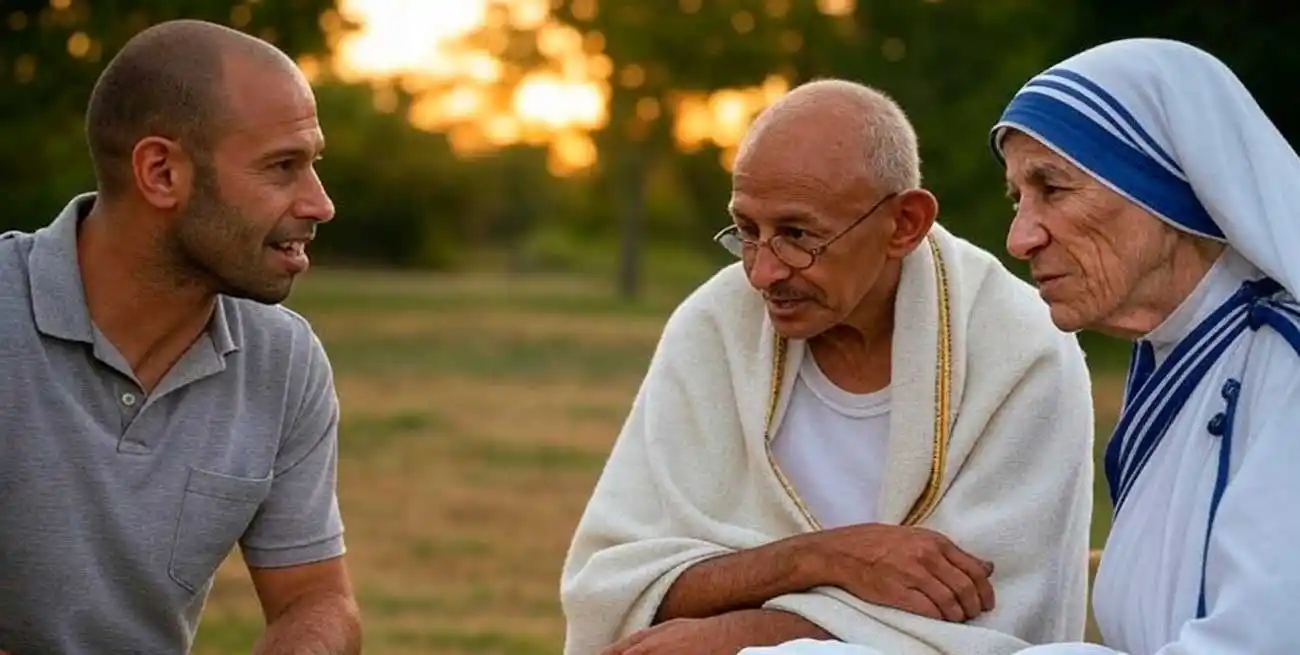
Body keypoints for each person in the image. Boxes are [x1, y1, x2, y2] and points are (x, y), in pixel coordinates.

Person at [560, 79, 1097, 655]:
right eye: (746, 231)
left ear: (904, 224)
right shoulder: (716, 325)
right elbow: (616, 589)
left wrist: (740, 635)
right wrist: (825, 558)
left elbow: (996, 624)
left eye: (796, 235)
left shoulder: (1022, 352)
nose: (764, 272)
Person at [0, 19, 360, 655]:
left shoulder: (284, 361)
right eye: (283, 167)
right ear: (161, 172)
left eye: (314, 165)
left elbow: (315, 597)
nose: (320, 203)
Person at [992, 37, 1300, 655]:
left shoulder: (1284, 362)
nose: (1019, 237)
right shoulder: (1176, 355)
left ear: (1167, 187)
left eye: (1052, 188)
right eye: (1017, 197)